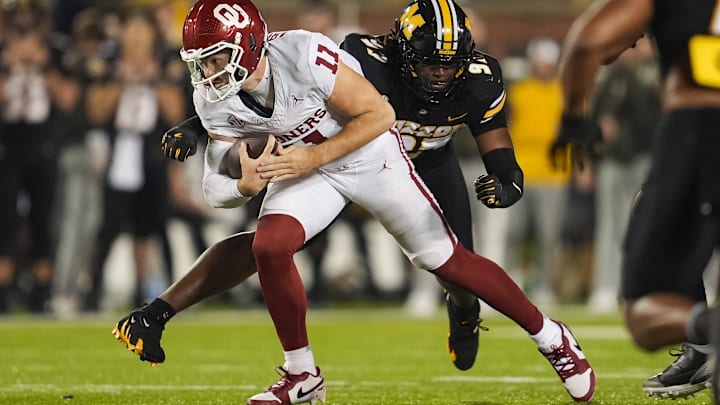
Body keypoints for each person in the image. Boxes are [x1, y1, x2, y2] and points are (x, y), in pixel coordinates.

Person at [114, 0, 596, 403]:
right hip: (312, 165)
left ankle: (552, 337)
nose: (208, 72)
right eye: (202, 61)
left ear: (247, 46)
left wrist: (311, 157)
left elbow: (381, 115)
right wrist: (245, 183)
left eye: (217, 58)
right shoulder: (212, 99)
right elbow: (214, 191)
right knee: (269, 246)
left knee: (445, 260)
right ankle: (302, 377)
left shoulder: (305, 53)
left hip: (370, 155)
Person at [551, 0, 720, 400]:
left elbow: (589, 41)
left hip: (704, 123)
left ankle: (705, 334)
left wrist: (574, 115)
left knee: (646, 310)